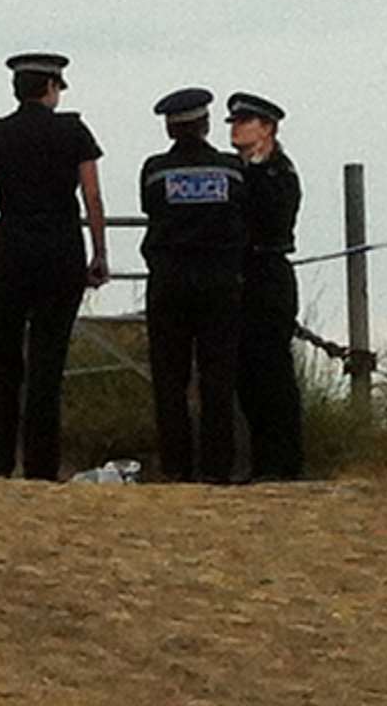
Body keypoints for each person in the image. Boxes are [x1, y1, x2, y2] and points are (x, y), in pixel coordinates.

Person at [0, 52, 109, 480]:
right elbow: (92, 197)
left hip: (11, 248)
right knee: (48, 361)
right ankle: (41, 466)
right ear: (50, 87)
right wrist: (99, 251)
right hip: (60, 248)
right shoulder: (73, 131)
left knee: (3, 359)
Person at [139, 88, 247, 483]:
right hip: (220, 283)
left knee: (170, 379)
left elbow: (151, 209)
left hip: (169, 282)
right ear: (204, 124)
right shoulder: (232, 169)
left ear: (170, 128)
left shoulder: (154, 170)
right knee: (218, 378)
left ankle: (176, 468)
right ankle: (218, 468)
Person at [227, 91, 304, 481]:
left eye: (245, 122)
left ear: (267, 129)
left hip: (268, 273)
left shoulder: (278, 172)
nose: (236, 128)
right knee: (246, 377)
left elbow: (272, 219)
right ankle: (261, 462)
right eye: (235, 122)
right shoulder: (233, 170)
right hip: (236, 275)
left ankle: (285, 463)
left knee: (273, 373)